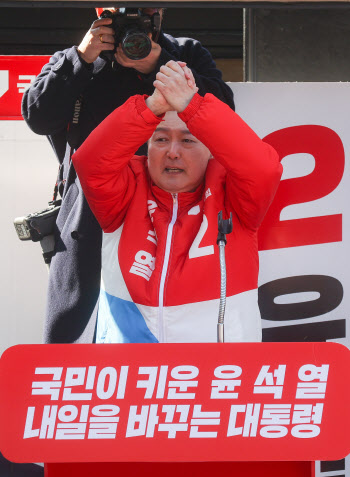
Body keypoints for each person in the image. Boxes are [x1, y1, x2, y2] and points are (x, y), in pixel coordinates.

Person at [21, 7, 235, 344]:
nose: (135, 23)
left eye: (147, 11)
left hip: (170, 213)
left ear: (160, 13)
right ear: (100, 13)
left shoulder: (184, 53)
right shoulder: (79, 58)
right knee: (75, 328)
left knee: (173, 319)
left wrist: (159, 65)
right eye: (120, 12)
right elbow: (38, 116)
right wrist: (81, 58)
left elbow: (224, 114)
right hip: (89, 214)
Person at [72, 60, 282, 343]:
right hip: (131, 376)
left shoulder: (233, 197)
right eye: (160, 139)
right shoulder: (126, 191)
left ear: (211, 151)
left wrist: (192, 107)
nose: (172, 152)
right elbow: (89, 162)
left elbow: (263, 169)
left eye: (188, 141)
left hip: (219, 376)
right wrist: (152, 106)